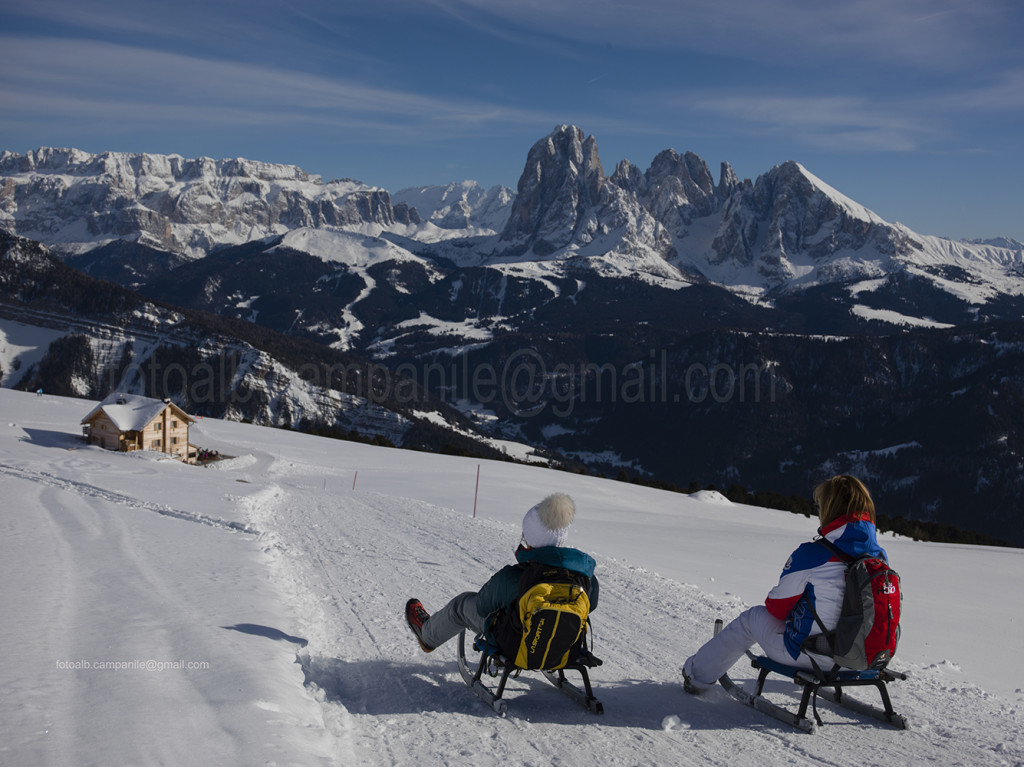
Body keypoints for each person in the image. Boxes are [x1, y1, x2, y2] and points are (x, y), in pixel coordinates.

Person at [681, 474, 889, 693]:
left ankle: (697, 675)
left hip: (814, 658)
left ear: (829, 508)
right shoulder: (879, 557)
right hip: (864, 658)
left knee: (751, 619)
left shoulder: (813, 554)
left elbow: (777, 608)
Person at [406, 492, 599, 653]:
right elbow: (592, 605)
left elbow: (482, 606)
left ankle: (428, 635)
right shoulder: (586, 576)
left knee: (462, 605)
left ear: (529, 539)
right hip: (565, 644)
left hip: (516, 645)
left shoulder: (515, 577)